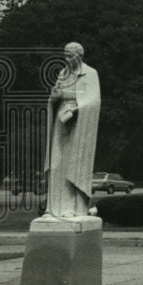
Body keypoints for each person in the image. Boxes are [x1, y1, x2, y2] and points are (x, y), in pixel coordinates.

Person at [43, 42, 101, 218]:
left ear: (79, 55)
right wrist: (54, 97)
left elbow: (94, 101)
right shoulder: (63, 73)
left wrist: (76, 109)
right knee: (56, 163)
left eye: (70, 56)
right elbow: (55, 94)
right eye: (65, 56)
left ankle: (73, 207)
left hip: (78, 121)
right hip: (61, 119)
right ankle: (53, 209)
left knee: (72, 164)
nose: (67, 59)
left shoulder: (90, 73)